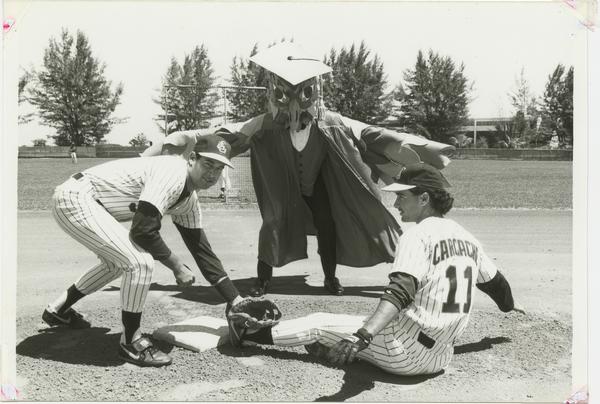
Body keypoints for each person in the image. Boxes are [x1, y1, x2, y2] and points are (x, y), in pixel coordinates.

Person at [142, 42, 454, 297]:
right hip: (284, 185)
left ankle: (330, 278)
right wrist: (185, 139)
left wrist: (417, 152)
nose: (294, 105)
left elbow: (371, 135)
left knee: (328, 224)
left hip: (318, 184)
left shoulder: (330, 122)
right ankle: (263, 280)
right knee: (273, 223)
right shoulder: (264, 125)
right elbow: (228, 137)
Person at [228, 162, 525, 376]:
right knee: (353, 325)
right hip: (441, 357)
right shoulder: (467, 238)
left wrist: (363, 335)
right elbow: (496, 284)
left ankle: (246, 334)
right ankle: (345, 347)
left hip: (404, 352)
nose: (395, 202)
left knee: (320, 321)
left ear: (425, 199)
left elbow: (400, 291)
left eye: (402, 196)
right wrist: (510, 306)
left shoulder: (417, 235)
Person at [42, 135, 249, 367]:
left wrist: (235, 299)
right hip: (76, 198)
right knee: (140, 262)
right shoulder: (173, 172)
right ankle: (131, 343)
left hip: (87, 201)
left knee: (118, 262)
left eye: (219, 168)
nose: (212, 173)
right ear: (192, 158)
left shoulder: (188, 200)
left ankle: (58, 310)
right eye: (208, 164)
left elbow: (202, 251)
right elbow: (142, 231)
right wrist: (177, 266)